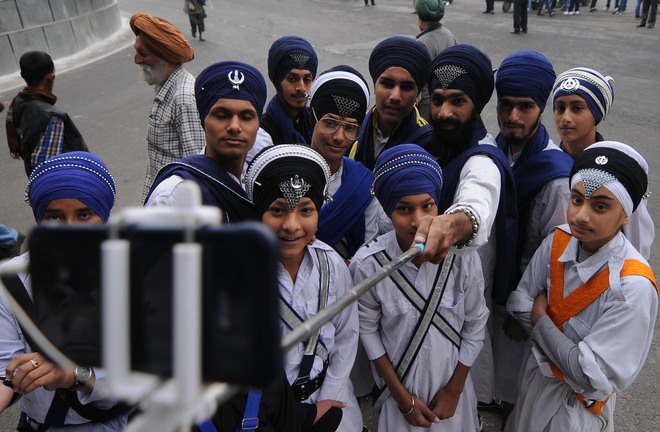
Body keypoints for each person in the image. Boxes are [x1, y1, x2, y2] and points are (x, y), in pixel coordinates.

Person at [505, 142, 658, 432]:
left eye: (600, 206)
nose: (581, 216)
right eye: (576, 200)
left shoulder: (631, 286)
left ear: (626, 213)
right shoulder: (558, 240)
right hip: (534, 386)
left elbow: (587, 377)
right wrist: (567, 352)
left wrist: (540, 319)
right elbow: (520, 302)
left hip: (577, 411)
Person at [352, 144, 488, 432]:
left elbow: (475, 323)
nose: (418, 221)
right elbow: (368, 330)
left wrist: (454, 390)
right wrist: (403, 399)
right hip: (399, 392)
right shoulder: (369, 263)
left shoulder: (462, 257)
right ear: (388, 209)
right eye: (404, 209)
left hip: (452, 391)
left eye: (427, 206)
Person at [0, 151, 129, 430]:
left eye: (84, 214)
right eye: (54, 217)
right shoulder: (11, 282)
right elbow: (4, 372)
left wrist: (73, 375)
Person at [424, 44, 518, 407]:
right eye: (437, 99)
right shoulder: (432, 142)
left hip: (464, 293)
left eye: (457, 101)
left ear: (477, 105)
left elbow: (478, 196)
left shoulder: (483, 157)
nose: (444, 112)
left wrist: (455, 223)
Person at [245, 144, 363, 432]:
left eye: (306, 210)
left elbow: (347, 334)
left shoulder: (331, 264)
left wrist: (331, 395)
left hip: (331, 404)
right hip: (268, 417)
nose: (292, 224)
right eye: (278, 210)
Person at [492, 50, 574, 419]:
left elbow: (555, 256)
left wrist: (524, 314)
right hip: (486, 291)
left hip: (521, 299)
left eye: (525, 107)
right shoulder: (491, 152)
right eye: (506, 105)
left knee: (515, 387)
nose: (513, 117)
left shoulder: (556, 177)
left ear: (541, 107)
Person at [551, 67, 654, 260]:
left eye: (577, 108)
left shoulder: (618, 170)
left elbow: (636, 243)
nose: (565, 118)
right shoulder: (548, 162)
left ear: (596, 115)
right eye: (560, 108)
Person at [146, 60, 266, 224]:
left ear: (258, 124)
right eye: (222, 115)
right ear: (204, 120)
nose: (234, 126)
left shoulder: (263, 183)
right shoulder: (174, 196)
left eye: (246, 117)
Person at [308, 65, 382, 261]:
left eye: (350, 128)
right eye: (330, 123)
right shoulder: (282, 171)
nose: (339, 137)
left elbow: (369, 255)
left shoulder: (363, 185)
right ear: (312, 119)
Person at [131, 12, 205, 203]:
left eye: (143, 54)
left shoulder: (184, 98)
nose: (136, 59)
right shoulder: (166, 87)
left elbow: (197, 169)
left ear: (165, 56)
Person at [350, 36, 433, 170]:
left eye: (406, 87)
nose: (395, 96)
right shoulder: (354, 128)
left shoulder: (428, 144)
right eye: (387, 84)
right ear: (375, 86)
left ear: (418, 94)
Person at [5, 51, 88, 178]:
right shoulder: (52, 117)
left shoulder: (18, 102)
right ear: (50, 76)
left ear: (22, 75)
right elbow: (46, 168)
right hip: (63, 188)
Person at [260, 36, 318, 146]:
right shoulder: (262, 133)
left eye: (307, 80)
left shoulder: (316, 123)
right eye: (292, 79)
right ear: (278, 81)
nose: (301, 88)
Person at [415, 0, 458, 122]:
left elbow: (420, 79)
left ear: (420, 17)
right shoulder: (448, 34)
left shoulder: (422, 43)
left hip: (428, 103)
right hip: (449, 96)